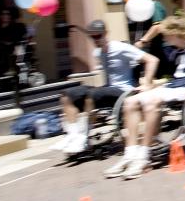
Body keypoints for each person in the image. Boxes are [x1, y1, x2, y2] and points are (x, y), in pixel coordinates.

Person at [103, 20, 185, 180]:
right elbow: (158, 27)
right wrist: (150, 84)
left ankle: (143, 157)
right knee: (131, 101)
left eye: (166, 35)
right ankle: (130, 155)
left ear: (174, 34)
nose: (164, 38)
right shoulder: (173, 51)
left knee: (153, 101)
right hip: (172, 87)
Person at [54, 19, 158, 155]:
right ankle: (72, 135)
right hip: (108, 89)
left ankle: (82, 137)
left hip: (123, 91)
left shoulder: (121, 48)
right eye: (92, 37)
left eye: (98, 36)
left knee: (94, 94)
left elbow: (152, 60)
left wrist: (147, 83)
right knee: (66, 95)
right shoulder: (97, 53)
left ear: (106, 33)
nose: (95, 40)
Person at [130, 0, 169, 74]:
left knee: (162, 75)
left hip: (160, 48)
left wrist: (142, 41)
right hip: (151, 48)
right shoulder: (143, 9)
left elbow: (157, 26)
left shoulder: (154, 5)